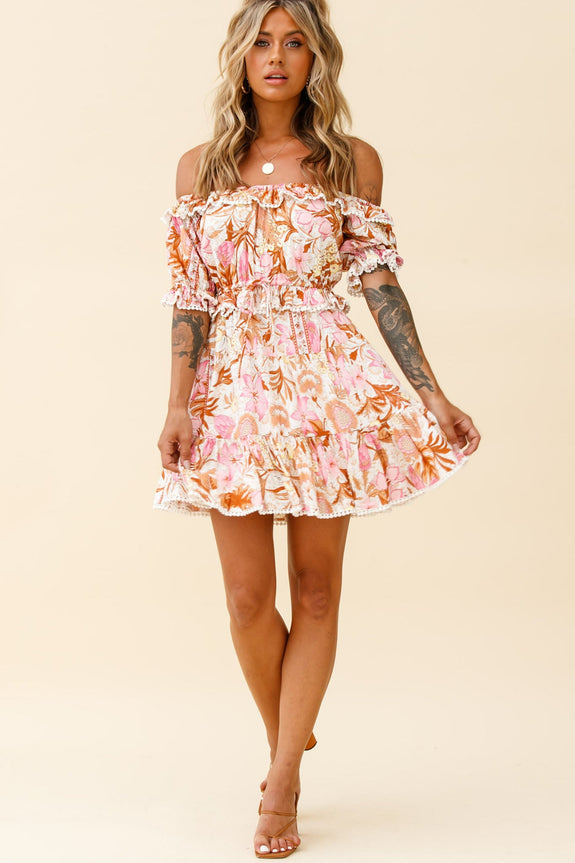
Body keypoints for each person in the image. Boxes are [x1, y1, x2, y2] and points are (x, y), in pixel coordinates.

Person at [154, 0, 481, 857]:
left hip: (328, 387)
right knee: (244, 598)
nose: (276, 56)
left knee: (317, 589)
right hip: (232, 390)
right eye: (261, 42)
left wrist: (433, 395)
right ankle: (288, 737)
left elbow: (378, 283)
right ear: (239, 57)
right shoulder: (199, 169)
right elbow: (191, 296)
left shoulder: (349, 162)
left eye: (294, 42)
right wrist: (178, 403)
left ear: (316, 59)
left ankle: (281, 783)